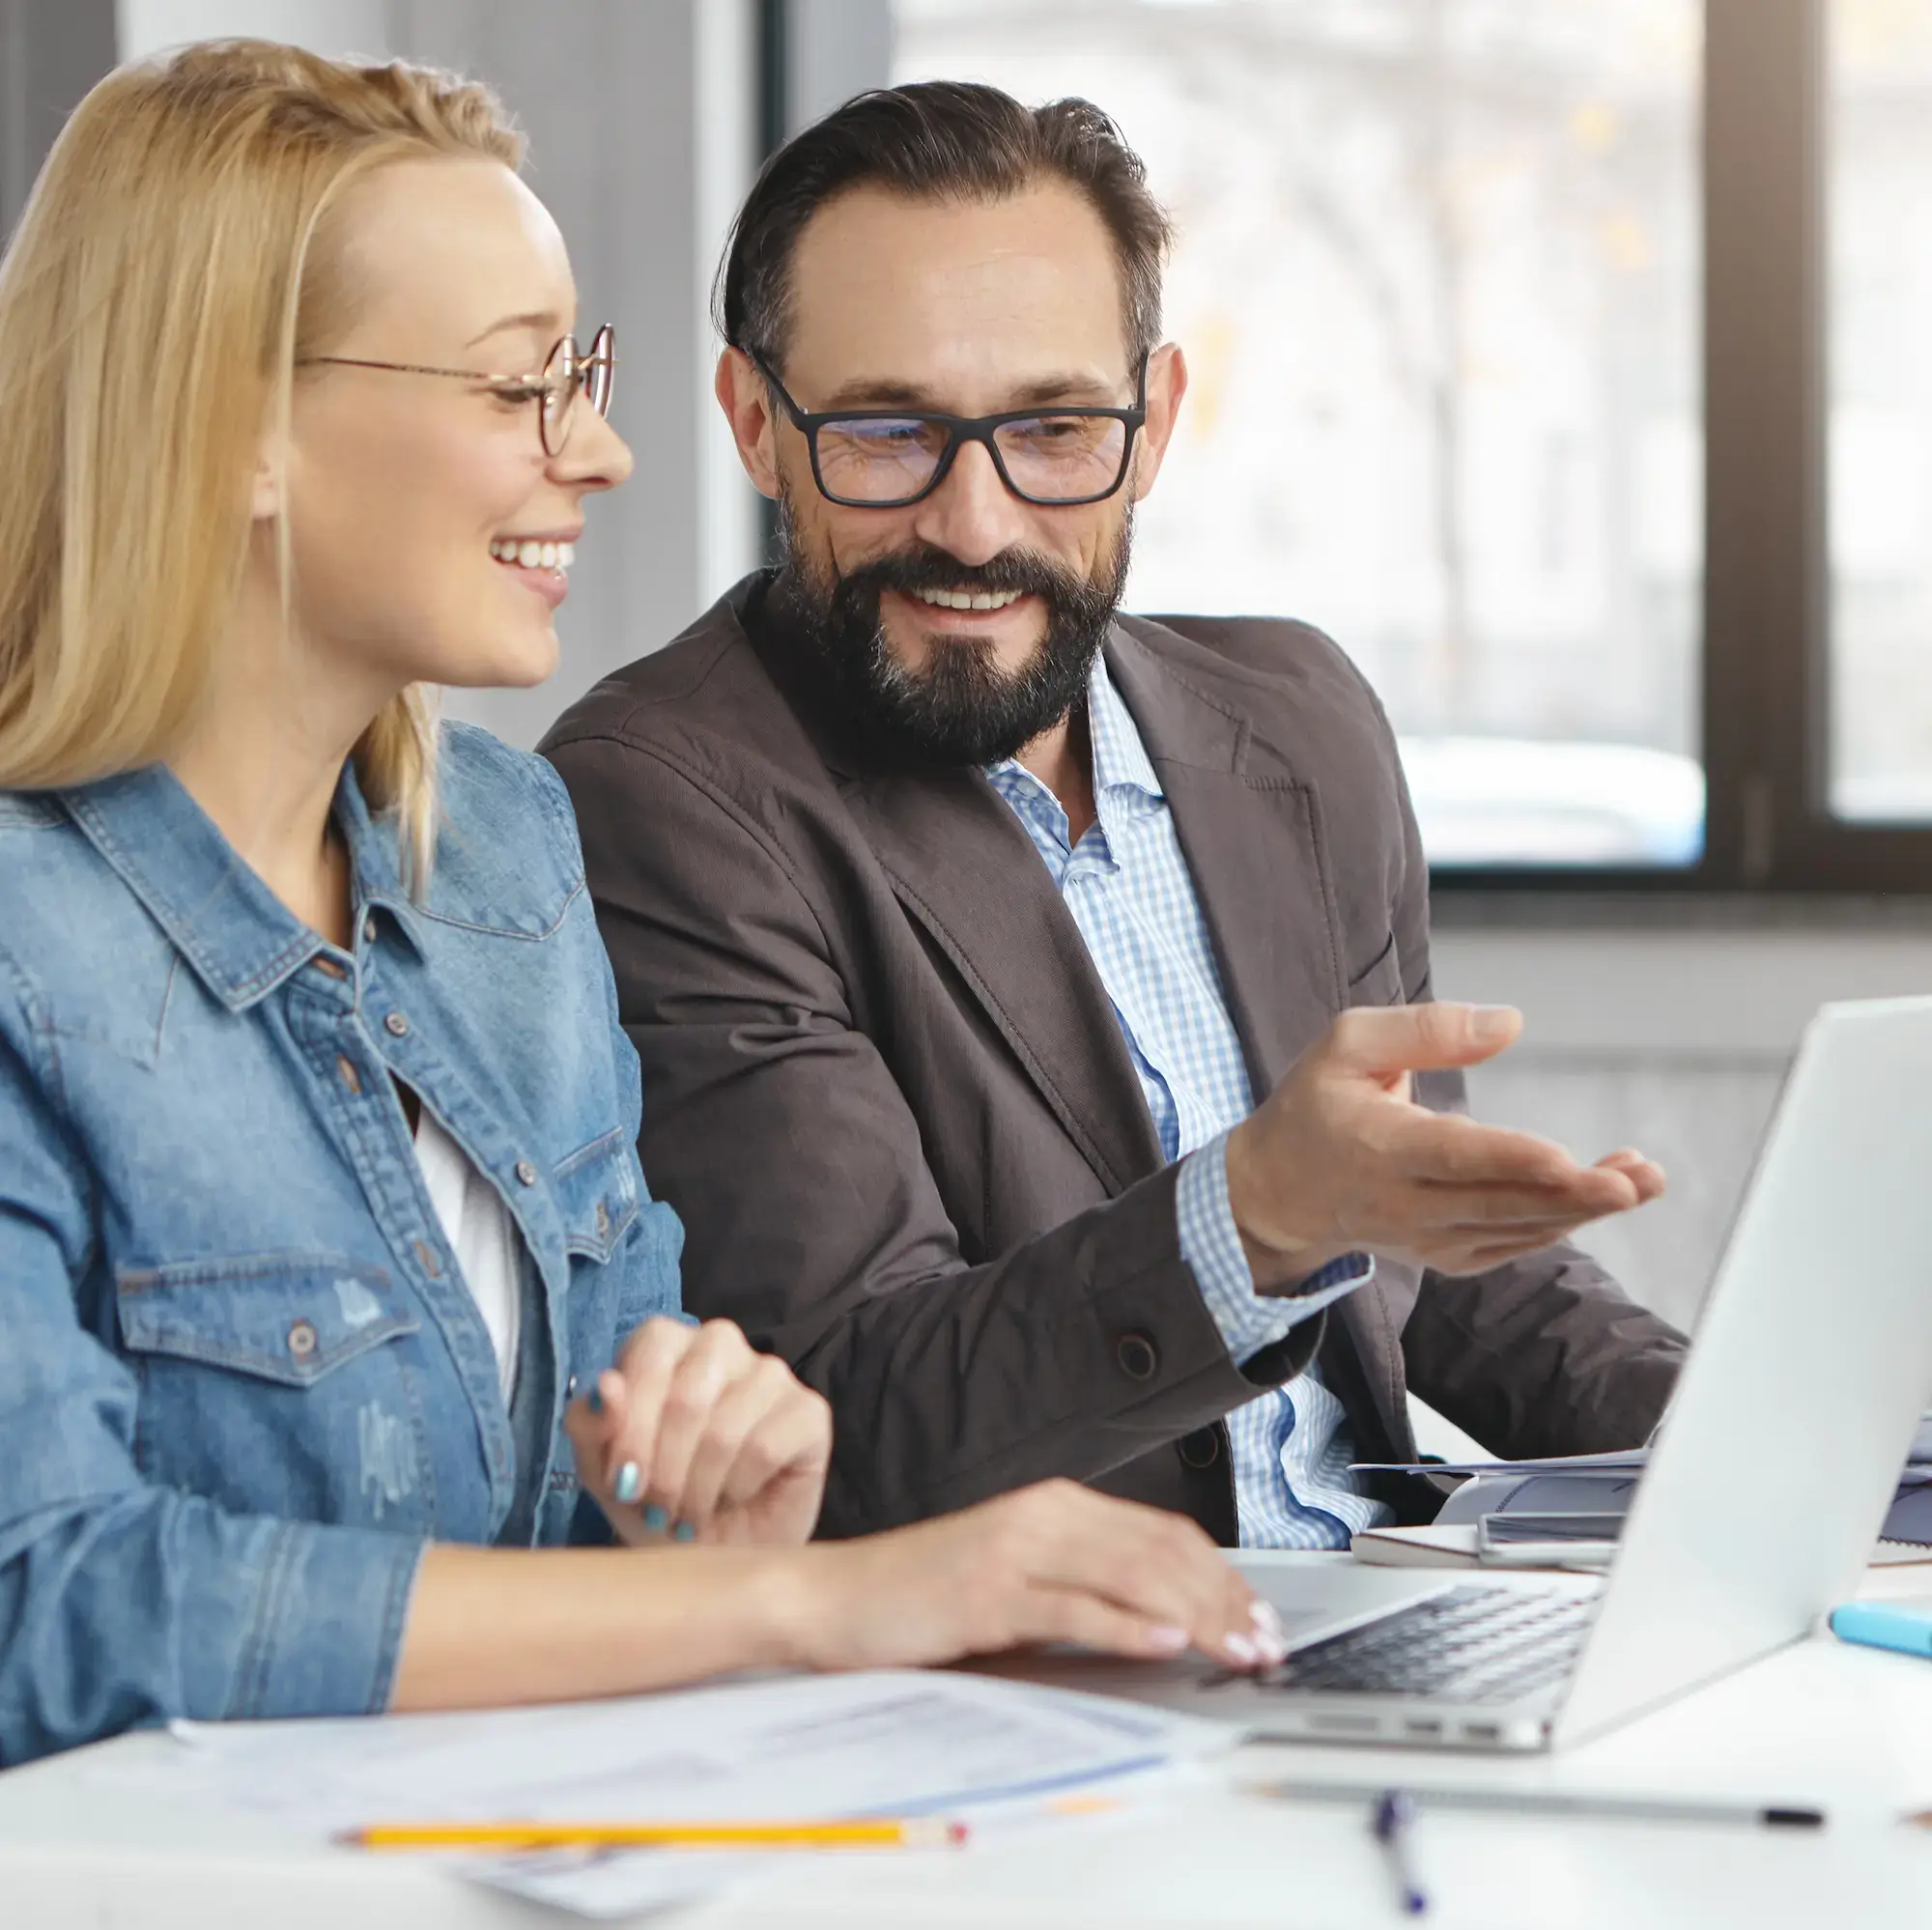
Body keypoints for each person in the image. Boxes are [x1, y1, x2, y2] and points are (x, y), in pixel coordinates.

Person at [0, 44, 1273, 1769]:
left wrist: (716, 1498)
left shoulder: (507, 857)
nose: (598, 452)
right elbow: (48, 1601)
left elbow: (601, 1525)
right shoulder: (31, 944)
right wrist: (805, 1599)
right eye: (519, 386)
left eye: (578, 372)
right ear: (237, 431)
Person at [541, 81, 1687, 1547]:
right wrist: (1253, 1215)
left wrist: (1816, 1474)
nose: (976, 521)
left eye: (1056, 427)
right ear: (758, 426)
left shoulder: (1300, 717)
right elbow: (853, 1406)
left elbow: (1435, 1270)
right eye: (890, 432)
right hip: (1064, 1681)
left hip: (1392, 1602)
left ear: (1150, 428)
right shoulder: (666, 797)